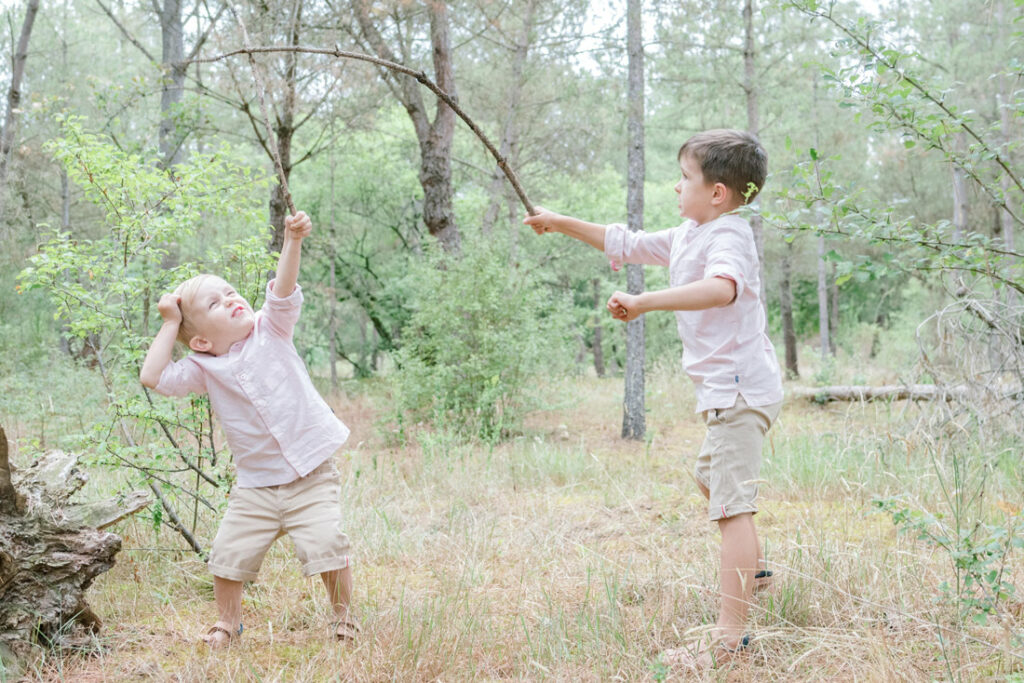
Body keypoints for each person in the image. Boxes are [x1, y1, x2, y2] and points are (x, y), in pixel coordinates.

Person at [523, 129, 783, 670]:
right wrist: (559, 221)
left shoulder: (729, 236)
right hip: (724, 392)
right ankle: (753, 573)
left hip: (740, 389)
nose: (676, 186)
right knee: (711, 479)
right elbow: (627, 243)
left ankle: (729, 636)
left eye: (685, 178)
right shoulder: (690, 233)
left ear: (717, 193)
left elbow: (722, 289)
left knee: (731, 507)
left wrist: (644, 302)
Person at [140, 210, 358, 648]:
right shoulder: (203, 367)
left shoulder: (270, 330)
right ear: (200, 341)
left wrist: (291, 240)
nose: (231, 299)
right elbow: (153, 378)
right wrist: (169, 322)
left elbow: (282, 291)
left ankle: (344, 619)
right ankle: (228, 623)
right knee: (228, 556)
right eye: (215, 304)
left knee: (326, 546)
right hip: (256, 487)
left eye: (230, 291)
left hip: (310, 475)